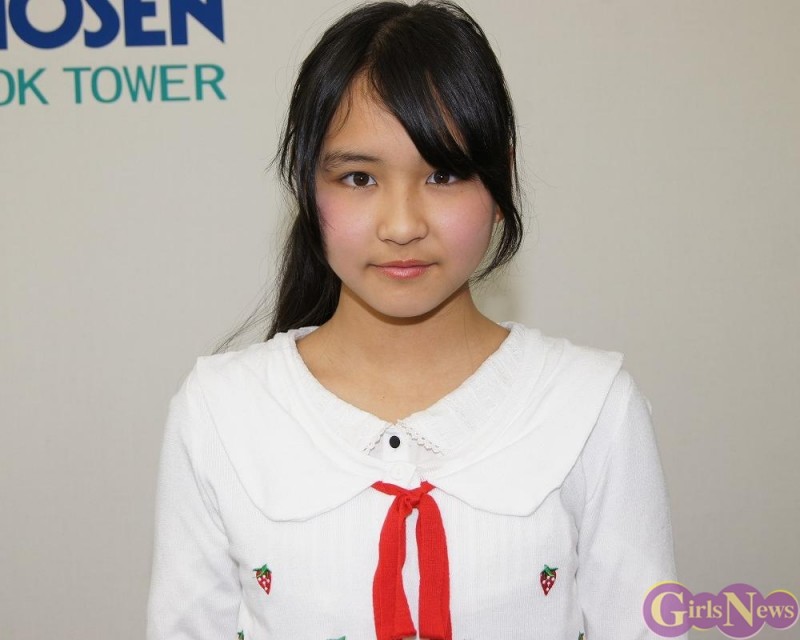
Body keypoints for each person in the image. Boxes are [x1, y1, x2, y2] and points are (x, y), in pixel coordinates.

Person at [147, 1, 683, 638]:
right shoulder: (220, 410)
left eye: (444, 173)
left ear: (500, 182)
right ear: (306, 187)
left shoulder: (592, 407)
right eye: (358, 178)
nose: (402, 226)